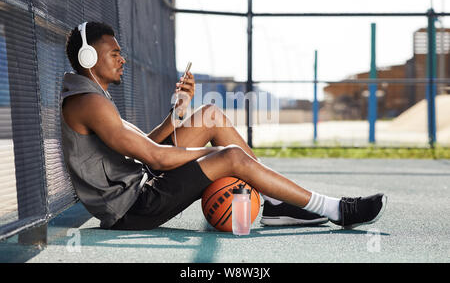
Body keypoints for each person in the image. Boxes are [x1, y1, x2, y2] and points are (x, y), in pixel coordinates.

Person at [62, 21, 387, 231]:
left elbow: (144, 148)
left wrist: (178, 113)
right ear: (90, 57)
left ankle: (274, 204)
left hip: (138, 184)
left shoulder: (90, 94)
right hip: (133, 208)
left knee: (209, 115)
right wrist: (215, 153)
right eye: (115, 53)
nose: (123, 59)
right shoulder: (89, 102)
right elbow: (156, 158)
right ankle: (335, 209)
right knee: (231, 156)